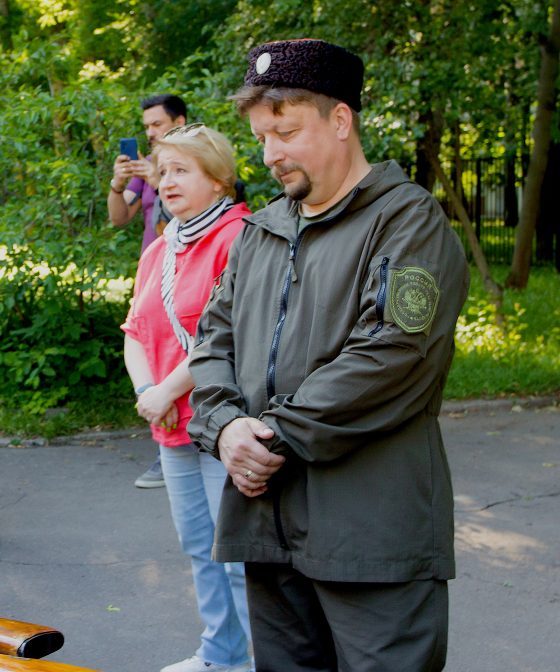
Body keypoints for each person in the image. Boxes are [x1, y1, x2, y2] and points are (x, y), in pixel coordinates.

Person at [187, 40, 470, 671]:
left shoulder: (408, 221)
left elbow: (396, 354)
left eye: (286, 132)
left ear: (341, 120)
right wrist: (225, 427)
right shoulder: (261, 231)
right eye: (262, 137)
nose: (270, 155)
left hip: (372, 538)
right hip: (267, 530)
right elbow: (212, 342)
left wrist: (270, 437)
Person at [122, 124, 252, 672]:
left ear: (219, 180)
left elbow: (229, 333)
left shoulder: (238, 236)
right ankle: (221, 654)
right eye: (163, 170)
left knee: (241, 556)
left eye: (182, 170)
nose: (167, 181)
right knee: (199, 547)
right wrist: (150, 393)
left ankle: (262, 660)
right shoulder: (158, 250)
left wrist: (168, 389)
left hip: (224, 423)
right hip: (172, 422)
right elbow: (134, 331)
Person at [109, 93, 188, 489]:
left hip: (189, 271)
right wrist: (118, 183)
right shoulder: (144, 168)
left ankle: (185, 447)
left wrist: (160, 178)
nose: (151, 133)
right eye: (147, 127)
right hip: (153, 271)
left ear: (180, 120)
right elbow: (119, 215)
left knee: (186, 353)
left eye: (157, 124)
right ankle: (165, 446)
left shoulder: (195, 160)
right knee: (151, 354)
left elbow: (217, 201)